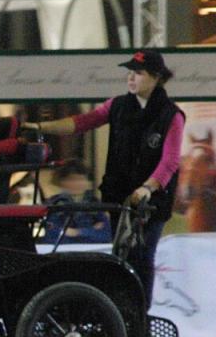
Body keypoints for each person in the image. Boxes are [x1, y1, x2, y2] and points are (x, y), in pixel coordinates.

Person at [24, 50, 184, 307]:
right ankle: (120, 310)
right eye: (129, 72)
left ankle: (140, 311)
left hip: (150, 203)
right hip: (118, 197)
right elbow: (82, 122)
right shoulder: (118, 106)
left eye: (138, 73)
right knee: (120, 256)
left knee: (142, 255)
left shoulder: (171, 116)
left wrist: (147, 188)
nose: (131, 78)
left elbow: (170, 162)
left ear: (156, 78)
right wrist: (42, 128)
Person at [41, 160, 112, 245]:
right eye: (72, 180)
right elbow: (52, 237)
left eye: (81, 179)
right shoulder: (54, 204)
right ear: (62, 182)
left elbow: (106, 235)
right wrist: (92, 230)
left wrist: (77, 232)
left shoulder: (95, 204)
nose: (77, 184)